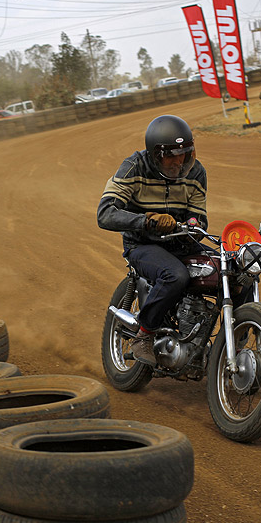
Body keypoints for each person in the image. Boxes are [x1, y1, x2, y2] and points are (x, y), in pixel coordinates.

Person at [97, 114, 207, 366]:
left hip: (181, 242)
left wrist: (193, 225)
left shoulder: (197, 172)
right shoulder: (134, 167)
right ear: (155, 154)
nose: (179, 161)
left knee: (234, 270)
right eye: (171, 155)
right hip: (143, 244)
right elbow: (105, 213)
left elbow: (199, 216)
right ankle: (143, 335)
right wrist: (146, 220)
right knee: (175, 275)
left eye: (185, 153)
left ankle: (235, 338)